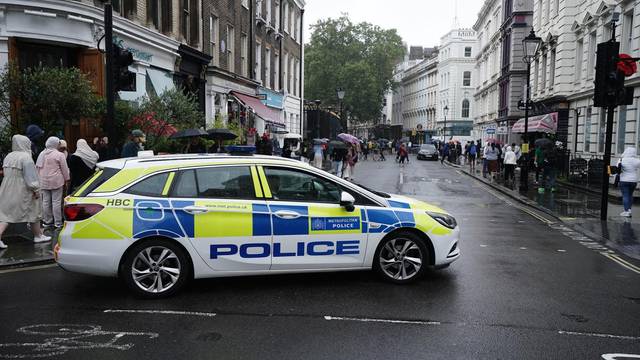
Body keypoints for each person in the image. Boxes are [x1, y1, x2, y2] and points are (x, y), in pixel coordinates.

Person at [0, 135, 51, 249]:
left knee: (6, 213)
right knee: (33, 211)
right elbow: (31, 177)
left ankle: (38, 235)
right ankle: (38, 236)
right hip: (23, 190)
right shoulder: (26, 157)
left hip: (6, 188)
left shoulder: (9, 156)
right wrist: (36, 189)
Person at [36, 137, 70, 229]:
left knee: (45, 202)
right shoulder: (59, 155)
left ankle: (47, 221)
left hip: (43, 181)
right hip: (56, 181)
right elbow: (64, 169)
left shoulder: (42, 154)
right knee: (56, 202)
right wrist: (67, 179)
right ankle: (58, 222)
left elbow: (38, 168)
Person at [618, 147, 640, 217]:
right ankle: (629, 209)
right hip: (634, 180)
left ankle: (626, 211)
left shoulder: (621, 160)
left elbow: (617, 168)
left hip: (624, 180)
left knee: (625, 195)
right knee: (630, 194)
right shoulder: (637, 160)